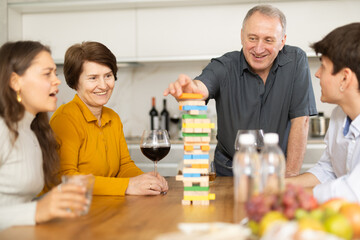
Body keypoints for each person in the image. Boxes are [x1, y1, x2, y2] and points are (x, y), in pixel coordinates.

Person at [163, 5, 317, 177]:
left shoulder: (295, 61)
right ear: (242, 36)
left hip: (276, 169)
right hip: (230, 170)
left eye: (268, 40)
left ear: (282, 41)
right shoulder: (224, 66)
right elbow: (200, 88)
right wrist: (190, 91)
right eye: (252, 38)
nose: (258, 49)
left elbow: (301, 120)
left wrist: (290, 178)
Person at [50, 41, 168, 196]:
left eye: (108, 76)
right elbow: (66, 178)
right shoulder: (65, 119)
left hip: (105, 207)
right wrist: (127, 186)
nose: (103, 85)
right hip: (70, 211)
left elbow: (123, 166)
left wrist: (146, 181)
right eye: (93, 78)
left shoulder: (113, 118)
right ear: (75, 82)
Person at [0, 41, 88, 230]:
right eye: (47, 73)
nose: (57, 81)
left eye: (54, 73)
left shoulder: (33, 131)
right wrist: (37, 210)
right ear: (15, 82)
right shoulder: (2, 130)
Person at [286, 23, 360, 203]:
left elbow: (353, 191)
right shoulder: (339, 115)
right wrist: (282, 185)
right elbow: (328, 170)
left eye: (324, 67)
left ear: (345, 77)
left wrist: (290, 196)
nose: (317, 74)